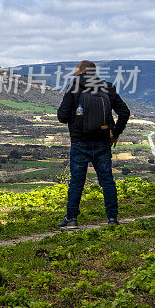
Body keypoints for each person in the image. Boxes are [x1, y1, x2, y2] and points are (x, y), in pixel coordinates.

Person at [56, 60, 130, 228]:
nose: (74, 73)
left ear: (82, 71)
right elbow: (124, 112)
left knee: (76, 181)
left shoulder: (74, 87)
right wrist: (115, 133)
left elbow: (62, 116)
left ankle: (72, 218)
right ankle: (112, 218)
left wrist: (76, 118)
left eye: (76, 70)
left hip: (80, 142)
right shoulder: (108, 87)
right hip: (103, 142)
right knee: (107, 181)